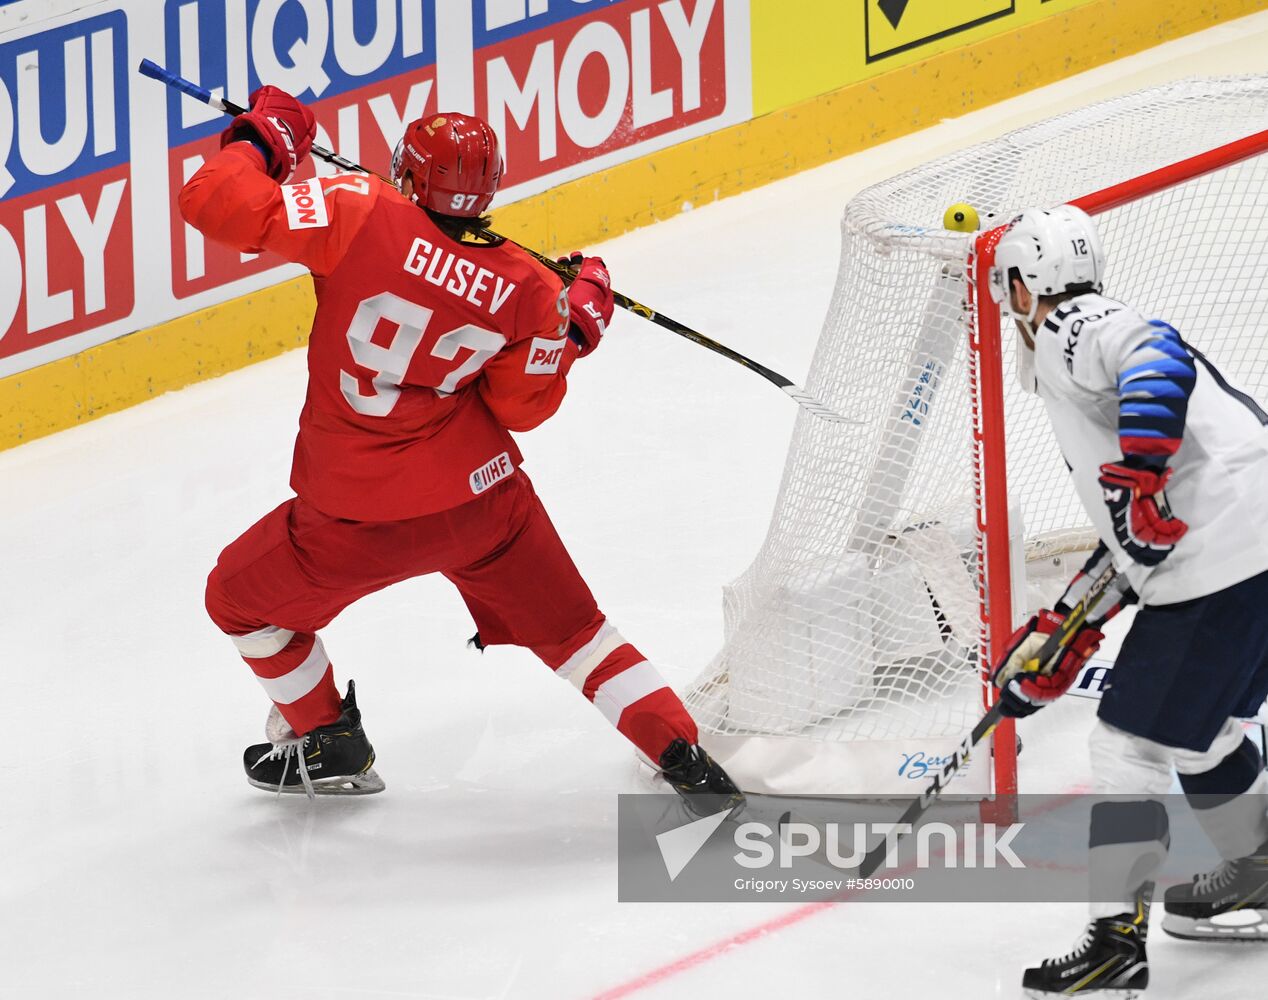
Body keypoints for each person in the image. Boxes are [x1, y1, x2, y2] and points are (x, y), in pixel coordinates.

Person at [178, 86, 742, 814]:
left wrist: (264, 139)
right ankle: (684, 755)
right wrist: (572, 332)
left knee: (237, 600)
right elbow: (522, 408)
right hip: (485, 505)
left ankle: (327, 738)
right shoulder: (529, 286)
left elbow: (215, 205)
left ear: (410, 174)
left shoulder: (357, 210)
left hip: (353, 519)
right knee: (576, 634)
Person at [986, 205, 1268, 995]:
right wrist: (1067, 626)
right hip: (1252, 541)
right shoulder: (1081, 339)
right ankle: (1259, 868)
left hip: (1226, 555)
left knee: (1126, 747)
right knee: (1203, 729)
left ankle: (1116, 942)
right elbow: (1137, 533)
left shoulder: (1071, 323)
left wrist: (1143, 469)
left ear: (1022, 284)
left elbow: (1159, 357)